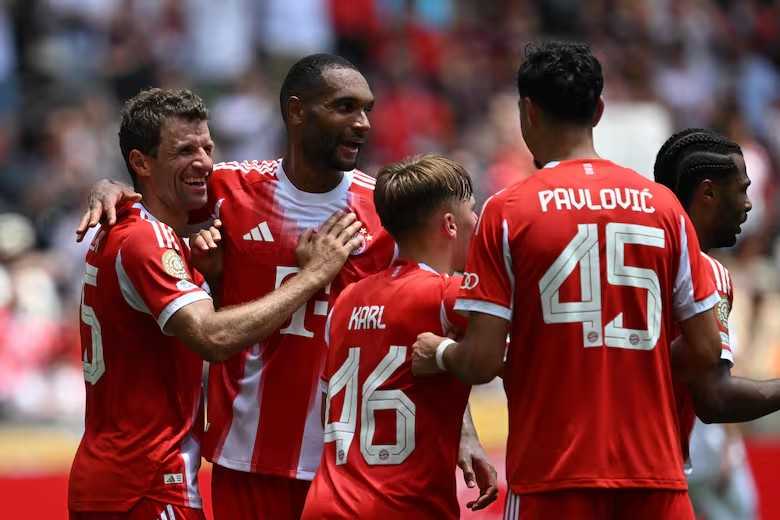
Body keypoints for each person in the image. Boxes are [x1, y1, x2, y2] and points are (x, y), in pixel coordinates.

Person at [76, 54, 495, 519]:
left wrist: (463, 430)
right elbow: (153, 202)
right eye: (345, 107)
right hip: (247, 460)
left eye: (367, 110)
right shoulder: (225, 191)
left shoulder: (383, 212)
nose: (362, 123)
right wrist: (111, 187)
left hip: (348, 466)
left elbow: (429, 324)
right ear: (297, 111)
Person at [411, 41, 725, 520]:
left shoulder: (507, 211)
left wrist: (439, 352)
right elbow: (705, 350)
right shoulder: (665, 208)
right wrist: (631, 365)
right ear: (599, 111)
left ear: (527, 112)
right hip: (654, 476)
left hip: (553, 476)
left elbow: (481, 361)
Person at [68, 88, 363, 519]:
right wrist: (315, 275)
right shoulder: (147, 240)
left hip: (117, 477)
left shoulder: (133, 227)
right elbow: (212, 337)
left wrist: (218, 279)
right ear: (141, 163)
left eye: (207, 148)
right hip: (145, 481)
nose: (204, 163)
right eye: (184, 151)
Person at [302, 154, 498, 519]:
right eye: (472, 210)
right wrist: (445, 354)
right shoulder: (449, 295)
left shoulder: (346, 301)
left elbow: (328, 410)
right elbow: (518, 355)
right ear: (450, 224)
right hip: (402, 506)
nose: (477, 222)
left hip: (326, 504)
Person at [652, 128, 778, 519]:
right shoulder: (705, 271)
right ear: (707, 193)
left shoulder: (636, 256)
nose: (749, 204)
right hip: (654, 475)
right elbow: (714, 398)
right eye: (742, 190)